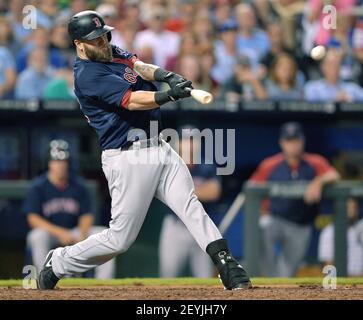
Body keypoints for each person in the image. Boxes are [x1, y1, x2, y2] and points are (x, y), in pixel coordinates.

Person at [37, 10, 251, 291]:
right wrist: (168, 94)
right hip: (127, 156)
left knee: (190, 206)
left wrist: (168, 75)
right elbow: (134, 100)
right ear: (78, 44)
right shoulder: (87, 75)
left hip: (159, 145)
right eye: (94, 39)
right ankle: (59, 262)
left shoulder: (109, 49)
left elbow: (139, 66)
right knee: (120, 239)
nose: (102, 42)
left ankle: (227, 266)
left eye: (104, 36)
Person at [249, 122, 340, 277]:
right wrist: (263, 212)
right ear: (282, 143)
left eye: (296, 140)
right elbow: (252, 188)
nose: (293, 145)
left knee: (287, 273)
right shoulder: (270, 164)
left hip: (300, 225)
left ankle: (279, 287)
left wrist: (319, 181)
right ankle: (268, 279)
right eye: (289, 141)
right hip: (275, 220)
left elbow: (334, 175)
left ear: (302, 141)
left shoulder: (314, 162)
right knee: (262, 226)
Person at [24, 140, 115, 279]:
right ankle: (45, 279)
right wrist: (61, 233)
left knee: (103, 233)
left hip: (75, 231)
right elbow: (33, 219)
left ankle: (105, 282)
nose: (61, 165)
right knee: (38, 235)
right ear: (49, 163)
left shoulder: (78, 185)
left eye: (64, 161)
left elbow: (87, 215)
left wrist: (81, 235)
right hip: (51, 234)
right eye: (56, 161)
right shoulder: (38, 187)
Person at [159, 127, 221, 278]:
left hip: (200, 225)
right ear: (178, 143)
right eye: (186, 140)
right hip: (175, 226)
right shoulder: (169, 164)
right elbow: (167, 193)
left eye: (193, 140)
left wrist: (182, 191)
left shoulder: (207, 166)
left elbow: (213, 193)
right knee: (168, 275)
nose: (190, 144)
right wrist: (199, 190)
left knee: (204, 276)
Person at [318, 199, 363, 276]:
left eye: (354, 208)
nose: (351, 211)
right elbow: (329, 268)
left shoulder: (360, 226)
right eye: (347, 208)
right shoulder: (329, 232)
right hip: (341, 281)